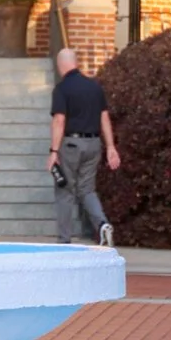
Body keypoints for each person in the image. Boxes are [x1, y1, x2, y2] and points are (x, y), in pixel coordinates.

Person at [47, 43, 119, 246]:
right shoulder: (94, 87)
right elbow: (104, 118)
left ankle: (64, 239)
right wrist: (111, 146)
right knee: (87, 190)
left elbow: (59, 120)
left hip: (71, 145)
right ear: (75, 63)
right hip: (94, 144)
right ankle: (102, 224)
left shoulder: (62, 89)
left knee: (65, 191)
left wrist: (53, 151)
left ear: (61, 65)